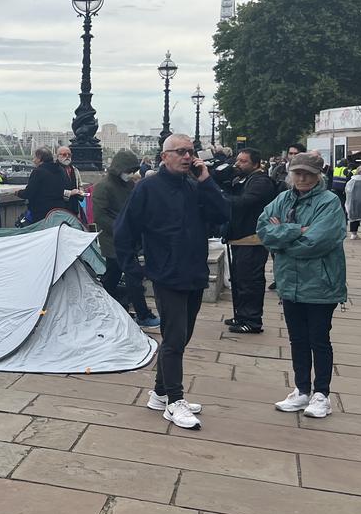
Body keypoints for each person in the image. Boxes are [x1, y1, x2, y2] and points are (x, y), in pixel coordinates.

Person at [115, 134, 230, 429]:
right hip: (166, 273)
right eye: (180, 152)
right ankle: (174, 400)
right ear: (164, 156)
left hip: (193, 270)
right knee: (175, 337)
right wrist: (131, 269)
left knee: (181, 335)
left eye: (190, 151)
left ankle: (159, 393)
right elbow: (124, 229)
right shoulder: (148, 188)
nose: (187, 156)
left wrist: (206, 181)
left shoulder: (195, 186)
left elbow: (222, 215)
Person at [258, 151, 347, 419]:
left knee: (319, 339)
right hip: (290, 282)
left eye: (308, 173)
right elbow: (263, 230)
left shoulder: (329, 202)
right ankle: (301, 390)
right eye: (298, 173)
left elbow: (318, 242)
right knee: (297, 339)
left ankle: (322, 394)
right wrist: (298, 230)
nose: (302, 178)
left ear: (318, 175)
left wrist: (282, 236)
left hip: (321, 283)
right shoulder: (283, 199)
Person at [92, 149, 159, 328]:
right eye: (128, 170)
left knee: (112, 276)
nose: (130, 174)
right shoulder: (103, 186)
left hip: (127, 238)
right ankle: (143, 314)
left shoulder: (128, 186)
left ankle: (103, 306)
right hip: (113, 240)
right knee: (132, 276)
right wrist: (123, 230)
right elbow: (100, 217)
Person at [224, 148, 279, 334]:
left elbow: (244, 202)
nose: (237, 164)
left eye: (243, 161)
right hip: (241, 238)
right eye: (237, 160)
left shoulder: (261, 182)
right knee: (239, 279)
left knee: (250, 281)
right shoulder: (246, 179)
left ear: (256, 164)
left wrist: (222, 198)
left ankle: (252, 320)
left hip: (253, 239)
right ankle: (242, 315)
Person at [20, 147, 82, 221]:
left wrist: (18, 193)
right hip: (61, 210)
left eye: (69, 155)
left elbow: (29, 192)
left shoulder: (38, 172)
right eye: (64, 155)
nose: (67, 157)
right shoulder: (61, 170)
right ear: (57, 156)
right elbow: (60, 191)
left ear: (39, 158)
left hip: (42, 212)